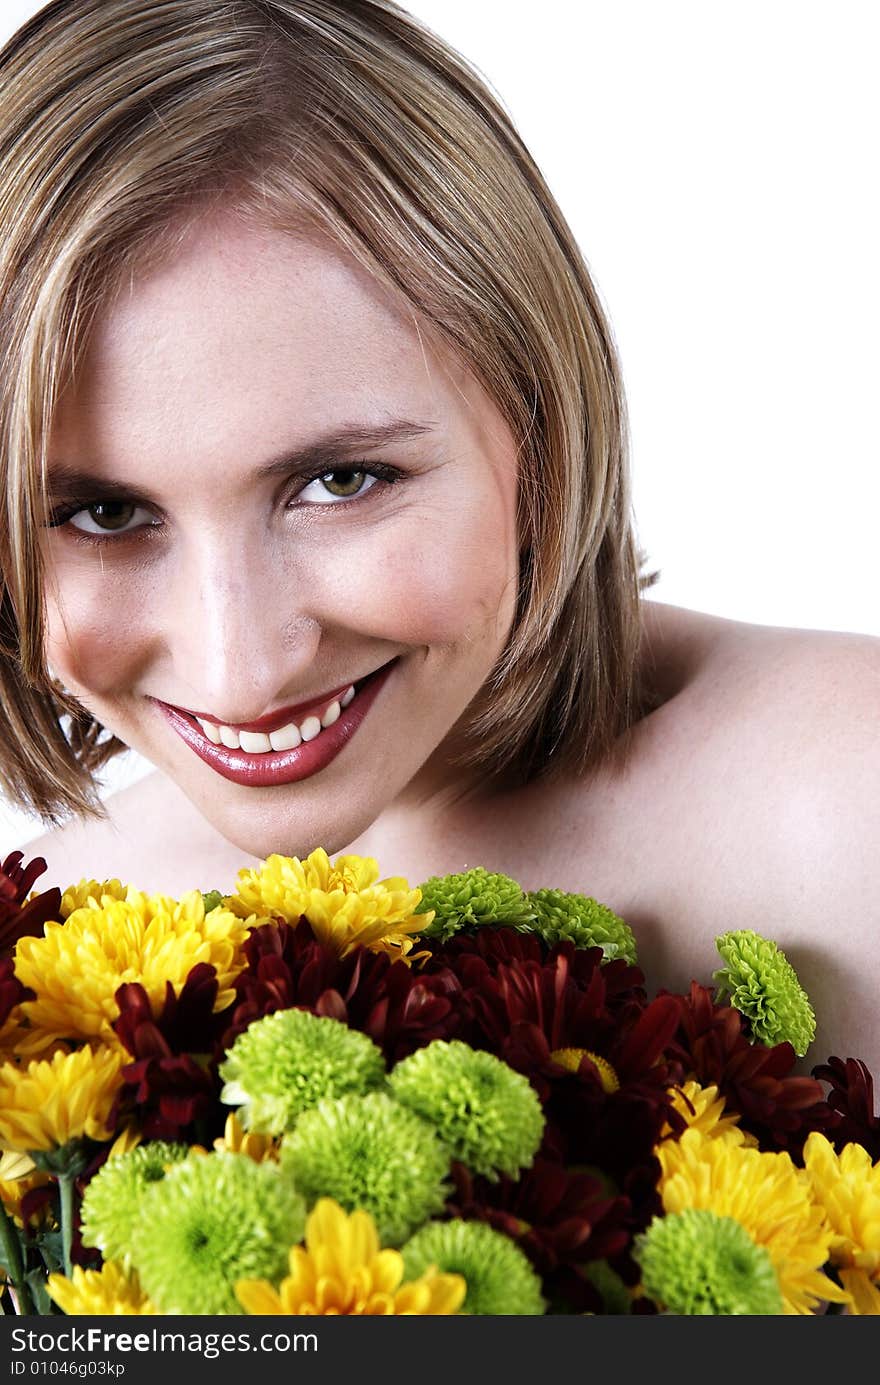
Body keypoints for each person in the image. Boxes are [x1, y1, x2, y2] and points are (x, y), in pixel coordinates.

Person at [0, 0, 877, 1079]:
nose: (241, 669)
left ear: (540, 425)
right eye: (104, 512)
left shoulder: (847, 808)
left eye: (339, 480)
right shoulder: (47, 966)